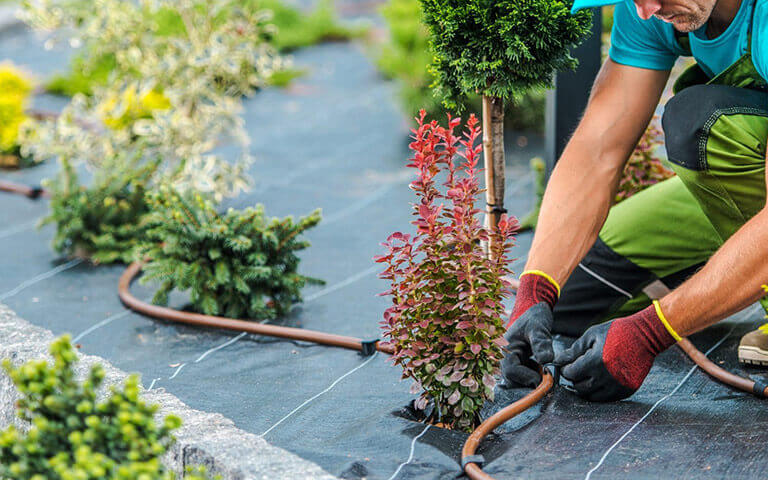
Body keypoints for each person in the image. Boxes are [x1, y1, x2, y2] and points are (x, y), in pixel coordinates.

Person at [502, 0, 768, 401]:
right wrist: (534, 289)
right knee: (572, 294)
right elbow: (598, 149)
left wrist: (653, 329)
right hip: (751, 181)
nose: (646, 10)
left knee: (702, 126)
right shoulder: (650, 6)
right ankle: (727, 277)